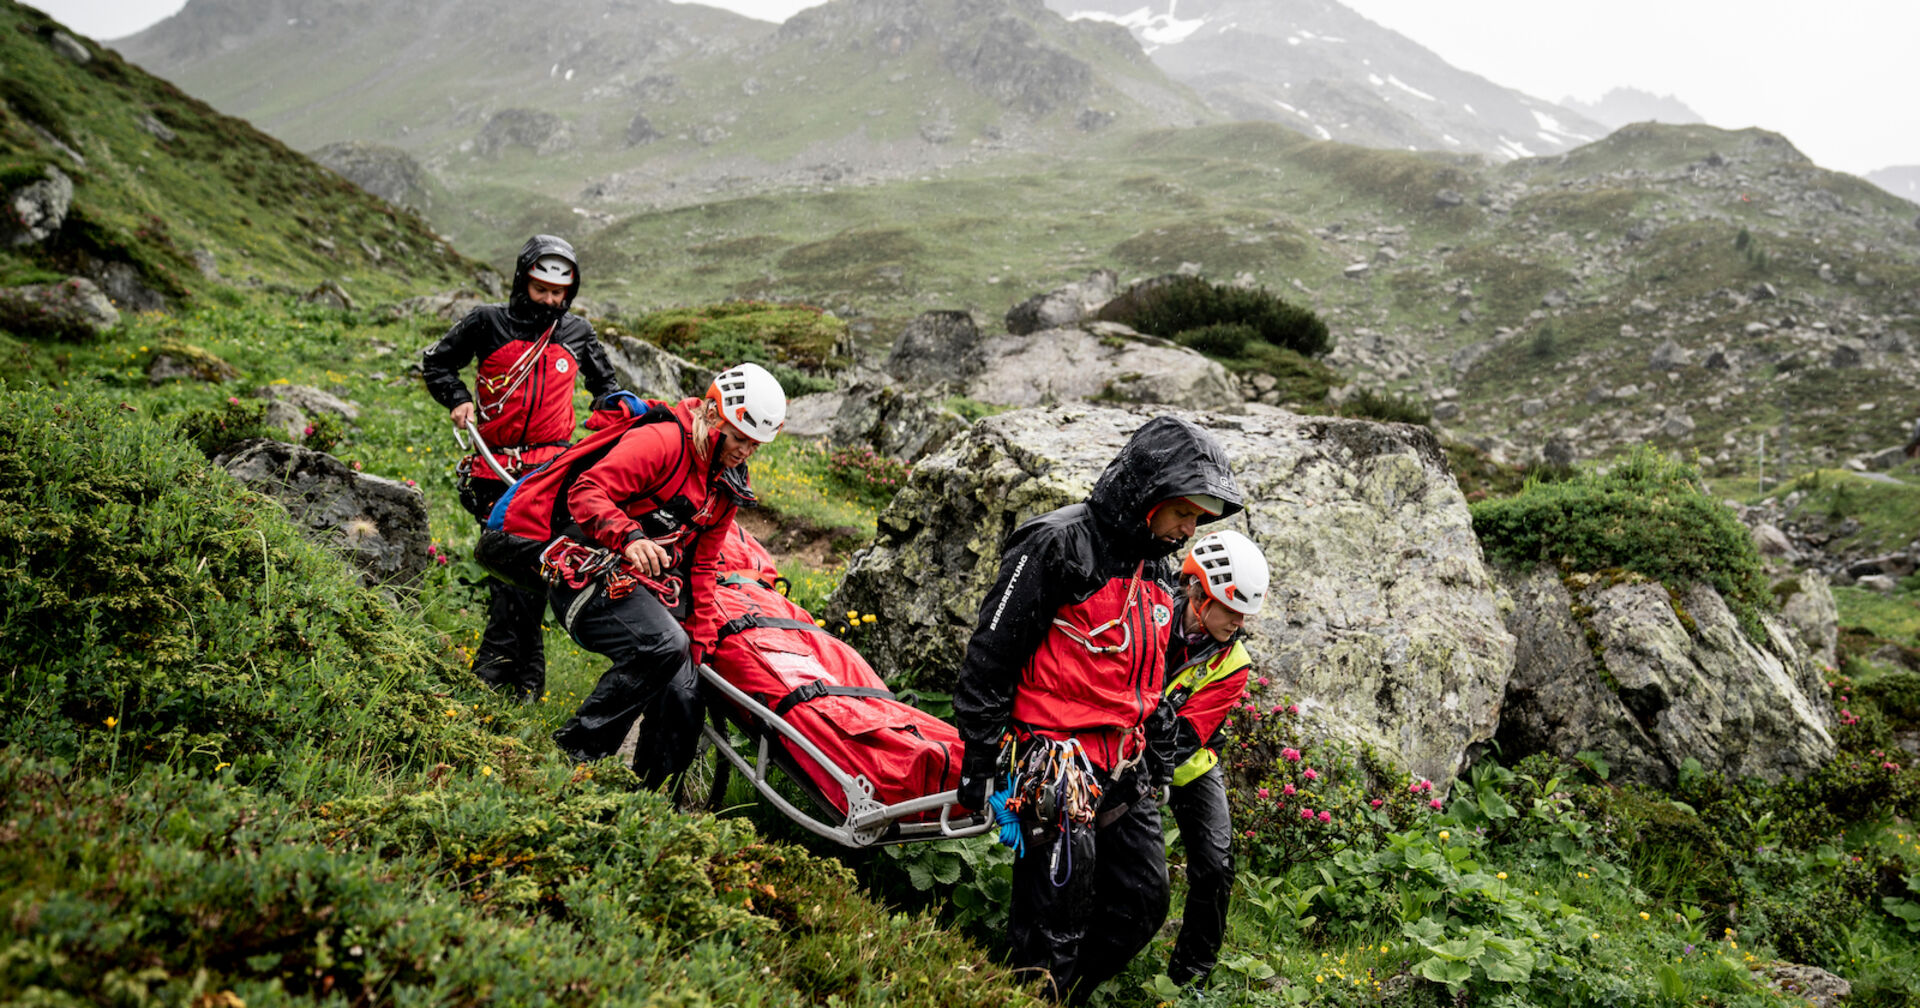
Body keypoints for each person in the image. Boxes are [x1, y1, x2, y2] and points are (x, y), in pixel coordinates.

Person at [951, 414, 1243, 1004]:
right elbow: (991, 654)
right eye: (1186, 512)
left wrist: (1158, 761)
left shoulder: (1158, 570)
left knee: (1141, 904)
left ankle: (1061, 995)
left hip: (1122, 765)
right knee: (1058, 911)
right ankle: (1033, 992)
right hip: (1052, 758)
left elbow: (1153, 682)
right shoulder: (1057, 543)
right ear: (1150, 492)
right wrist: (979, 758)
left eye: (1199, 518)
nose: (1193, 529)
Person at [483, 362, 786, 786]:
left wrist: (698, 646)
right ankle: (573, 756)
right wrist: (629, 538)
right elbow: (586, 491)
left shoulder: (726, 482)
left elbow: (701, 564)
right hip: (584, 571)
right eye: (740, 439)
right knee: (663, 644)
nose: (745, 452)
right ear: (714, 417)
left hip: (643, 587)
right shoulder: (662, 441)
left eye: (755, 445)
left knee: (685, 691)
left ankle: (647, 797)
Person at [421, 234, 629, 701]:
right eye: (542, 291)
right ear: (524, 282)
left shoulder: (577, 334)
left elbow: (606, 389)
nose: (551, 301)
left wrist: (613, 423)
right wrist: (457, 400)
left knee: (527, 576)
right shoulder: (486, 323)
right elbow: (437, 364)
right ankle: (511, 679)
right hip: (494, 472)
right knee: (513, 573)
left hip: (551, 475)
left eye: (560, 294)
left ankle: (509, 680)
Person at [1160, 529, 1268, 989]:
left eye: (1246, 613)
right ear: (1199, 593)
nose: (1239, 623)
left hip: (1190, 765)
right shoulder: (1151, 614)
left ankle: (1191, 979)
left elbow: (1188, 734)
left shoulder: (1234, 661)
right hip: (1116, 752)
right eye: (1232, 609)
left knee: (1216, 866)